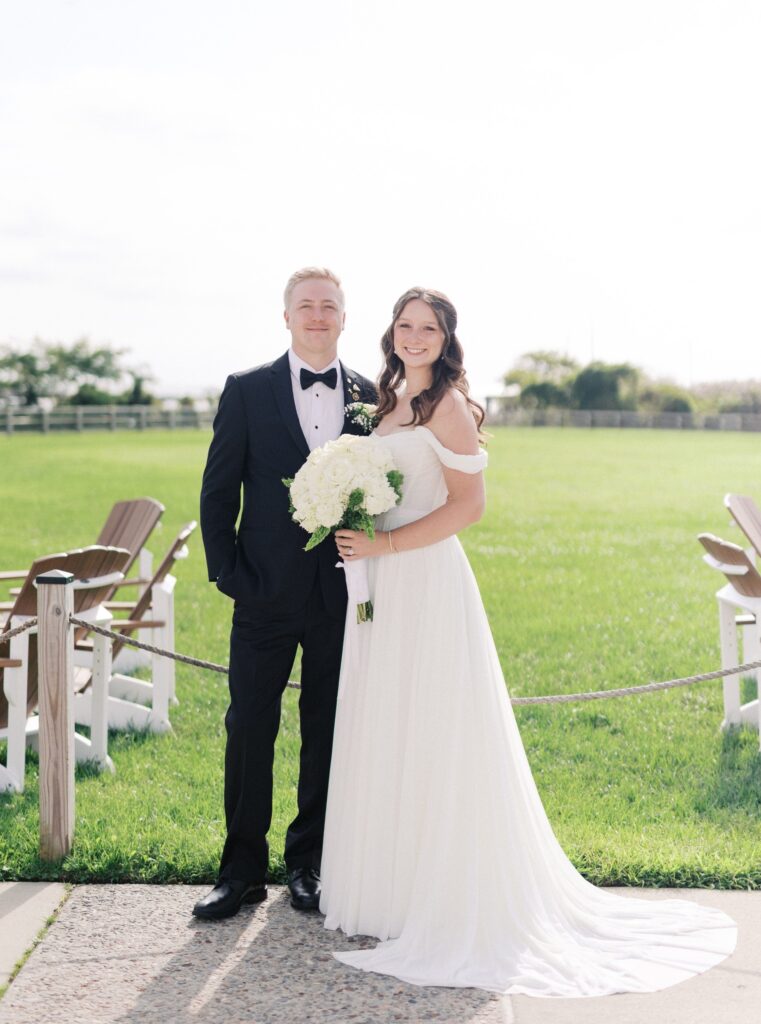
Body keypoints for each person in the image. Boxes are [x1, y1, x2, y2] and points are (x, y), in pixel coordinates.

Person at [319, 287, 737, 995]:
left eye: (428, 328)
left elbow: (468, 506)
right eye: (404, 324)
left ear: (446, 338)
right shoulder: (382, 401)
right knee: (387, 723)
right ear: (390, 332)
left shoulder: (448, 406)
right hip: (379, 585)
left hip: (423, 580)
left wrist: (383, 545)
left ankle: (442, 893)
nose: (413, 336)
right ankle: (387, 891)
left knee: (435, 729)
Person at [195, 267, 376, 920]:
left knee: (325, 730)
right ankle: (240, 870)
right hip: (263, 595)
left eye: (329, 305)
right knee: (249, 727)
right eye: (306, 305)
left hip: (337, 594)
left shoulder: (369, 395)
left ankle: (309, 865)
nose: (317, 315)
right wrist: (229, 574)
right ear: (286, 316)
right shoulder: (247, 391)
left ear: (344, 317)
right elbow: (218, 491)